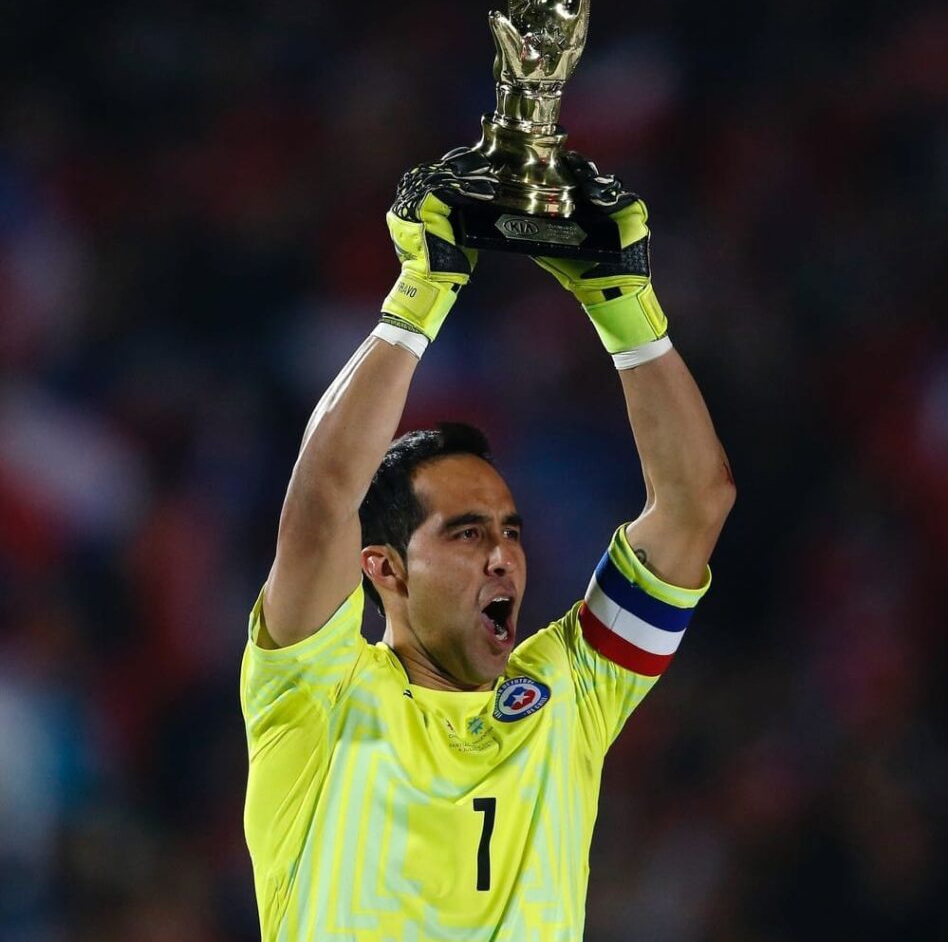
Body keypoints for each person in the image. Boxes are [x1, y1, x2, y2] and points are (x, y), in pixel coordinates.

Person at [240, 147, 736, 941]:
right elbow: (324, 501)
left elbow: (693, 505)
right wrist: (421, 293)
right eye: (466, 534)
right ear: (385, 567)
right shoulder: (315, 696)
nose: (502, 555)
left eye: (510, 531)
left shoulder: (571, 694)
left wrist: (624, 308)